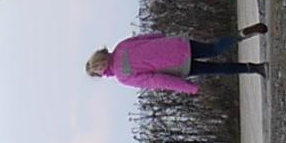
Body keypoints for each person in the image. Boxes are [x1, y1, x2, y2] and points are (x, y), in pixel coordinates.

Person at [83, 33, 265, 96]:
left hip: (178, 66)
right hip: (177, 45)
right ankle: (241, 35)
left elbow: (157, 80)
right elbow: (149, 37)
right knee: (214, 48)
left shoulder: (124, 76)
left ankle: (255, 68)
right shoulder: (122, 46)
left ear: (101, 71)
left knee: (216, 68)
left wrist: (188, 87)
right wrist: (166, 39)